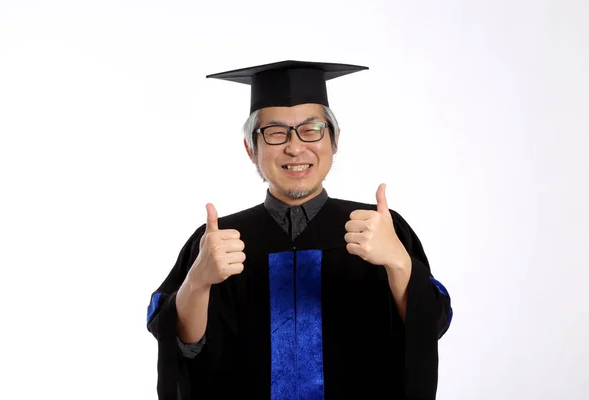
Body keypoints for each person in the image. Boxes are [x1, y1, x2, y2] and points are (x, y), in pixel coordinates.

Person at [146, 60, 453, 400]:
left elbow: (430, 326)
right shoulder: (220, 241)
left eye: (311, 130)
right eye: (276, 133)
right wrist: (198, 282)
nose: (295, 147)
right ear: (251, 149)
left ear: (334, 140)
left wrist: (399, 263)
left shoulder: (379, 228)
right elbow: (183, 345)